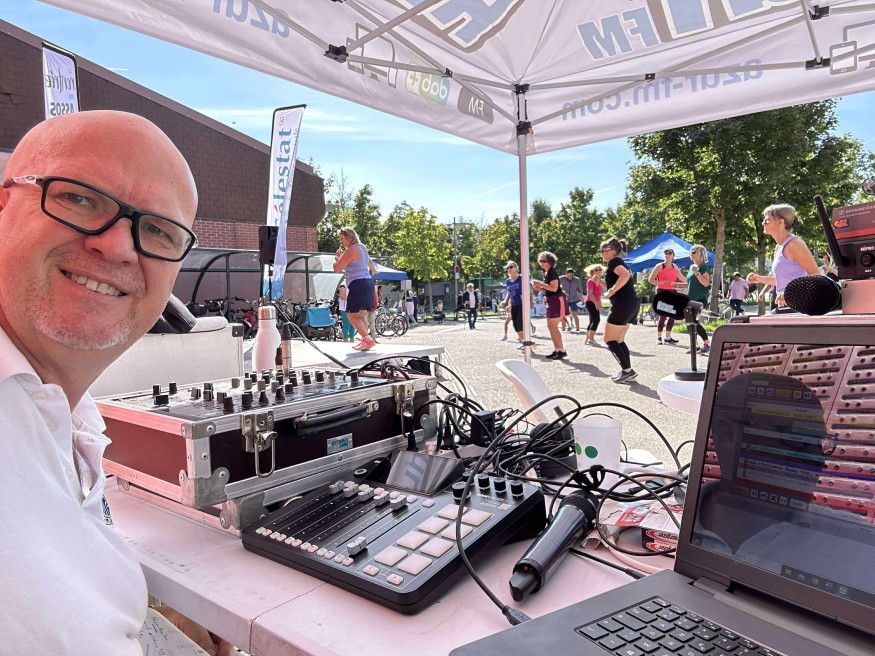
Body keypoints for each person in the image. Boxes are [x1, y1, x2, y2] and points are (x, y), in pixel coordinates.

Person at [0, 111, 225, 654]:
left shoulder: (66, 411)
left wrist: (144, 613)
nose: (119, 246)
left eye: (158, 230)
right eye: (80, 198)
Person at [746, 204, 819, 310]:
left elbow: (815, 274)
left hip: (801, 305)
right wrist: (760, 279)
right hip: (787, 306)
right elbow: (784, 280)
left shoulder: (795, 244)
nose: (763, 223)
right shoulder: (779, 247)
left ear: (781, 222)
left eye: (767, 220)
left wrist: (789, 293)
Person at [333, 226, 377, 350]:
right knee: (360, 314)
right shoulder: (362, 247)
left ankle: (367, 340)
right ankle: (365, 341)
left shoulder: (351, 250)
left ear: (349, 237)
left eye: (342, 238)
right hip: (367, 282)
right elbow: (367, 262)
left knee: (351, 315)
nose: (340, 241)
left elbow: (337, 268)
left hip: (358, 284)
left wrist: (336, 260)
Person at [601, 237, 639, 382]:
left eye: (604, 250)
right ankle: (628, 371)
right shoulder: (620, 263)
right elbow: (621, 282)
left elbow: (625, 275)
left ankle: (627, 371)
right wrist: (604, 285)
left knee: (609, 339)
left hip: (623, 305)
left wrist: (612, 291)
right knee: (618, 339)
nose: (602, 253)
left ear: (611, 250)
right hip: (630, 304)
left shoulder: (614, 262)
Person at [647, 248, 686, 344]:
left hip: (672, 291)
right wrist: (660, 283)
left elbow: (683, 279)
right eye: (666, 253)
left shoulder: (675, 267)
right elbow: (650, 279)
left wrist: (689, 282)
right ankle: (659, 337)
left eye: (669, 253)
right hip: (662, 291)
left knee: (673, 314)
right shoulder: (660, 266)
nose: (667, 255)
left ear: (673, 255)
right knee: (663, 314)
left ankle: (668, 338)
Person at [532, 251, 566, 360]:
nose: (541, 263)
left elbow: (554, 288)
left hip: (556, 300)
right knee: (551, 326)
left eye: (544, 261)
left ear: (550, 262)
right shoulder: (547, 273)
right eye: (540, 261)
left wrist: (541, 284)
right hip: (551, 300)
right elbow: (549, 288)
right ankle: (558, 349)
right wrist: (541, 288)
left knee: (553, 326)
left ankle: (561, 350)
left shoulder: (552, 272)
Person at [683, 244, 713, 354]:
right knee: (689, 321)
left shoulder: (703, 266)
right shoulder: (692, 267)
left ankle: (706, 343)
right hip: (691, 298)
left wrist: (696, 272)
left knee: (693, 321)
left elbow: (706, 283)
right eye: (690, 252)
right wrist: (678, 285)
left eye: (693, 252)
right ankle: (694, 345)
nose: (690, 254)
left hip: (700, 298)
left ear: (700, 253)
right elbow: (692, 283)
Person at [500, 260, 534, 346]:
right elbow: (509, 292)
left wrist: (529, 300)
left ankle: (527, 343)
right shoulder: (508, 281)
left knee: (520, 324)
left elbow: (530, 289)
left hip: (522, 304)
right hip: (514, 305)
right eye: (508, 268)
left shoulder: (521, 278)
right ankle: (525, 342)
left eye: (511, 267)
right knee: (516, 327)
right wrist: (505, 301)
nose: (509, 269)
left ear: (516, 268)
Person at [583, 263, 606, 346]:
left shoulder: (599, 280)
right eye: (596, 270)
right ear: (592, 272)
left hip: (596, 302)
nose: (598, 271)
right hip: (591, 302)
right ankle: (591, 339)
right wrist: (596, 303)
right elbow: (590, 293)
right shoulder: (590, 280)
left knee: (592, 320)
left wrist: (599, 303)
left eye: (600, 269)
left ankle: (588, 339)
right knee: (596, 320)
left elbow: (606, 288)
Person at [559, 267, 583, 332]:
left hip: (573, 299)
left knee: (574, 313)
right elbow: (556, 286)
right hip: (564, 299)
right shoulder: (561, 278)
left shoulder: (576, 280)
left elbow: (579, 289)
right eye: (568, 275)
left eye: (571, 275)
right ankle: (563, 327)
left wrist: (581, 297)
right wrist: (562, 291)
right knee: (563, 314)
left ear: (573, 274)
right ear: (566, 274)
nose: (569, 276)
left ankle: (577, 328)